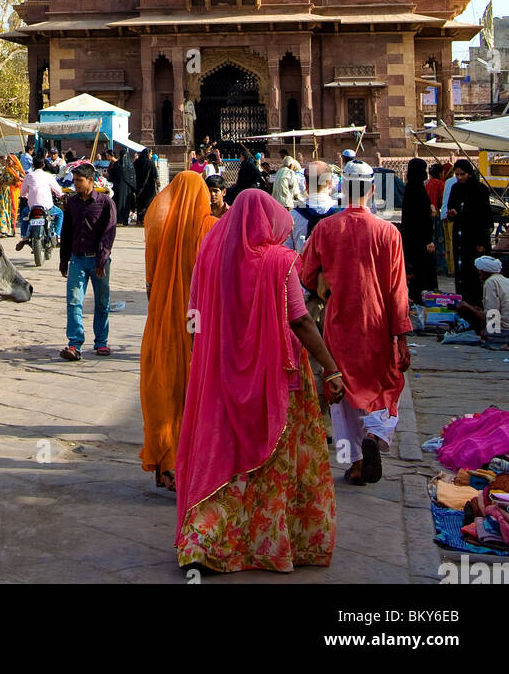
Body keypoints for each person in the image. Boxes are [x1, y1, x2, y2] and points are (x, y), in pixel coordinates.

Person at [175, 189, 341, 574]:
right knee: (272, 459)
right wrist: (331, 367)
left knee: (224, 454)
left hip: (220, 370)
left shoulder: (210, 255)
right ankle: (269, 543)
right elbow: (300, 320)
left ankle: (205, 538)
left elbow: (193, 312)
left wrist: (198, 351)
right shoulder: (281, 261)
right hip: (276, 375)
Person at [299, 161, 411, 485]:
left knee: (343, 393)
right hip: (378, 323)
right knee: (383, 387)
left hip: (339, 323)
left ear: (342, 189)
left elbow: (307, 275)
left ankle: (354, 463)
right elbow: (397, 289)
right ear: (373, 190)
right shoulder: (389, 232)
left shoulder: (325, 229)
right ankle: (375, 435)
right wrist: (401, 337)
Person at [139, 172, 217, 491]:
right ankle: (190, 461)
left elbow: (149, 283)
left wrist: (161, 304)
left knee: (163, 382)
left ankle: (165, 461)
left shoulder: (158, 225)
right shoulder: (210, 228)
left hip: (163, 315)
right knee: (194, 383)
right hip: (198, 318)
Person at [59, 162, 116, 361]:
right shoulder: (72, 203)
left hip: (99, 261)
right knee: (74, 302)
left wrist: (102, 259)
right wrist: (63, 259)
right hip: (77, 259)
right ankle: (74, 343)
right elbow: (66, 233)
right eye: (74, 180)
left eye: (79, 181)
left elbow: (109, 233)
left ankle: (101, 342)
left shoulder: (105, 202)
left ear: (90, 181)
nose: (75, 184)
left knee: (102, 303)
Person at [446, 159, 493, 306]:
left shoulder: (480, 190)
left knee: (474, 271)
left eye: (463, 174)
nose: (460, 178)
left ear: (470, 174)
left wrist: (482, 242)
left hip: (475, 237)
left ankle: (476, 304)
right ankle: (463, 302)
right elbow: (451, 208)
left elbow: (485, 218)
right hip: (460, 236)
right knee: (461, 270)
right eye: (457, 174)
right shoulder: (455, 188)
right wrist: (452, 213)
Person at [399, 158, 438, 301]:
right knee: (421, 273)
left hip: (411, 240)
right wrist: (428, 240)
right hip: (420, 241)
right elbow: (420, 218)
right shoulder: (417, 189)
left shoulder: (411, 187)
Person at [456, 256, 509, 342]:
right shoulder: (506, 280)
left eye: (479, 272)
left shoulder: (490, 282)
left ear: (482, 271)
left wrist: (489, 331)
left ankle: (490, 334)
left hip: (503, 329)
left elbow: (493, 311)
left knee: (462, 306)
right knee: (475, 308)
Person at [18, 154, 65, 246]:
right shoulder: (49, 176)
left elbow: (22, 192)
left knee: (24, 214)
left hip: (32, 207)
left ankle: (24, 237)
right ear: (44, 165)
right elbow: (58, 191)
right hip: (47, 207)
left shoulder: (28, 176)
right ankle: (57, 235)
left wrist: (24, 195)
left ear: (32, 165)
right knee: (59, 214)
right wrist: (61, 195)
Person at [289, 170, 339, 252]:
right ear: (330, 183)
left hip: (302, 263)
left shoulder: (293, 216)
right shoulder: (341, 213)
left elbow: (287, 252)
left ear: (305, 184)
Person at [425, 161, 447, 274]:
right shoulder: (440, 184)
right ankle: (440, 267)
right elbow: (442, 201)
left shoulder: (427, 183)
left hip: (426, 215)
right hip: (436, 215)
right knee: (439, 242)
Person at [0, 153, 24, 237]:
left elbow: (23, 179)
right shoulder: (5, 170)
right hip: (4, 192)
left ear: (14, 161)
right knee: (2, 209)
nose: (8, 161)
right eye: (7, 160)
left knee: (12, 211)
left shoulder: (18, 170)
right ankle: (3, 230)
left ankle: (11, 230)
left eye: (9, 160)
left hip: (13, 192)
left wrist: (18, 179)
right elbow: (1, 181)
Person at [107, 147, 136, 227]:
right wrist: (133, 188)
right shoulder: (130, 166)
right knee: (126, 204)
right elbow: (133, 178)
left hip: (118, 188)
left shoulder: (117, 164)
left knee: (118, 203)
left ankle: (119, 219)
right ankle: (125, 220)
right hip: (128, 189)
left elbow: (112, 176)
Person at [134, 148, 159, 226]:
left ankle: (140, 220)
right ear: (147, 154)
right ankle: (147, 220)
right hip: (149, 187)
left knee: (140, 203)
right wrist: (158, 185)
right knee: (149, 203)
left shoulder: (136, 162)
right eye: (150, 154)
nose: (151, 155)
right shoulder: (151, 163)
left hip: (139, 187)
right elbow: (155, 176)